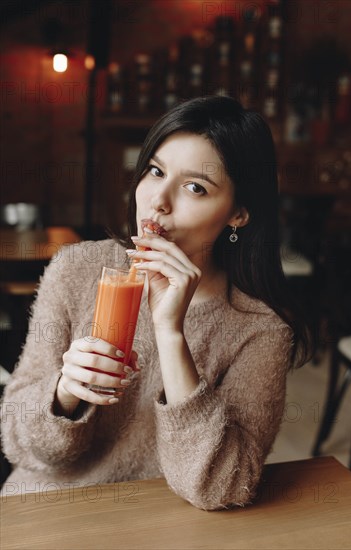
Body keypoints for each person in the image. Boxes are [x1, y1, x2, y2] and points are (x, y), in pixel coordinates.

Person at [0, 96, 310, 509]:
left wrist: (171, 333)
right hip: (44, 512)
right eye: (155, 171)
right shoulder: (76, 268)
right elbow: (18, 443)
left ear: (238, 214)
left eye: (195, 187)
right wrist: (64, 394)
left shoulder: (260, 329)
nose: (158, 201)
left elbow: (222, 488)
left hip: (157, 525)